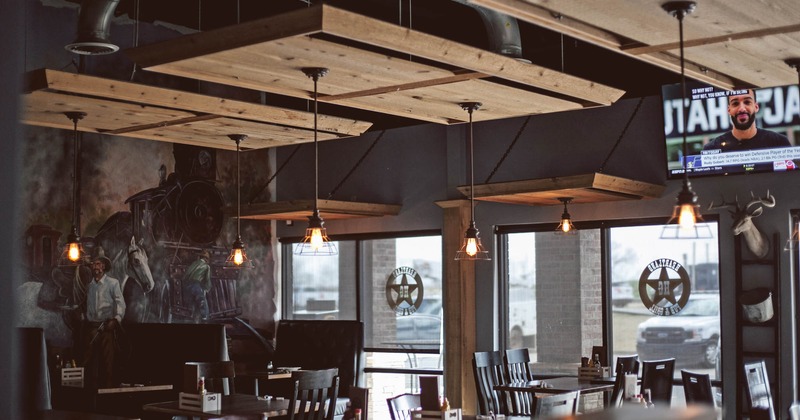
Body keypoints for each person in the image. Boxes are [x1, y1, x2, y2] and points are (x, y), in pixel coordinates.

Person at [82, 251, 126, 389]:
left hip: (107, 327)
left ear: (104, 267)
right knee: (89, 359)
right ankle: (90, 388)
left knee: (108, 360)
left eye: (99, 264)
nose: (96, 267)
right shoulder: (90, 286)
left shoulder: (113, 283)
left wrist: (116, 319)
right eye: (94, 264)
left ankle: (108, 387)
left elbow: (120, 303)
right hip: (92, 327)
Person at [703, 89, 791, 152]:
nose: (741, 108)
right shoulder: (711, 149)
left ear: (756, 107)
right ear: (729, 110)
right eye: (735, 103)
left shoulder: (779, 142)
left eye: (747, 102)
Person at [182, 250, 212, 322]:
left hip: (188, 285)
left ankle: (193, 319)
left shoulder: (194, 264)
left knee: (193, 304)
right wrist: (207, 288)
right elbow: (207, 279)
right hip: (196, 285)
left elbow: (186, 275)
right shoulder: (207, 266)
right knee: (202, 302)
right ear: (207, 259)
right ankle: (205, 318)